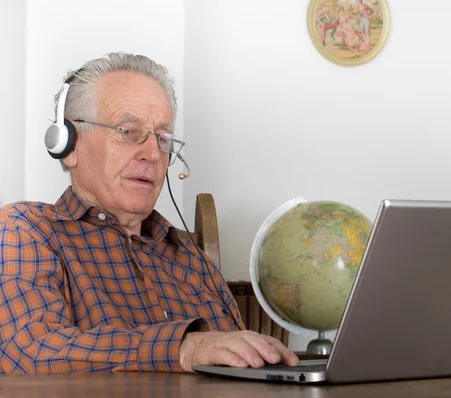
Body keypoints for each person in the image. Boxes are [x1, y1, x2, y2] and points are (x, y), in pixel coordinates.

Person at [0, 52, 299, 373]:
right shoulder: (26, 229)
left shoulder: (189, 256)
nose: (153, 154)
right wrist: (185, 348)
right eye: (128, 131)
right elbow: (30, 351)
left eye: (163, 137)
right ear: (69, 145)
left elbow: (239, 365)